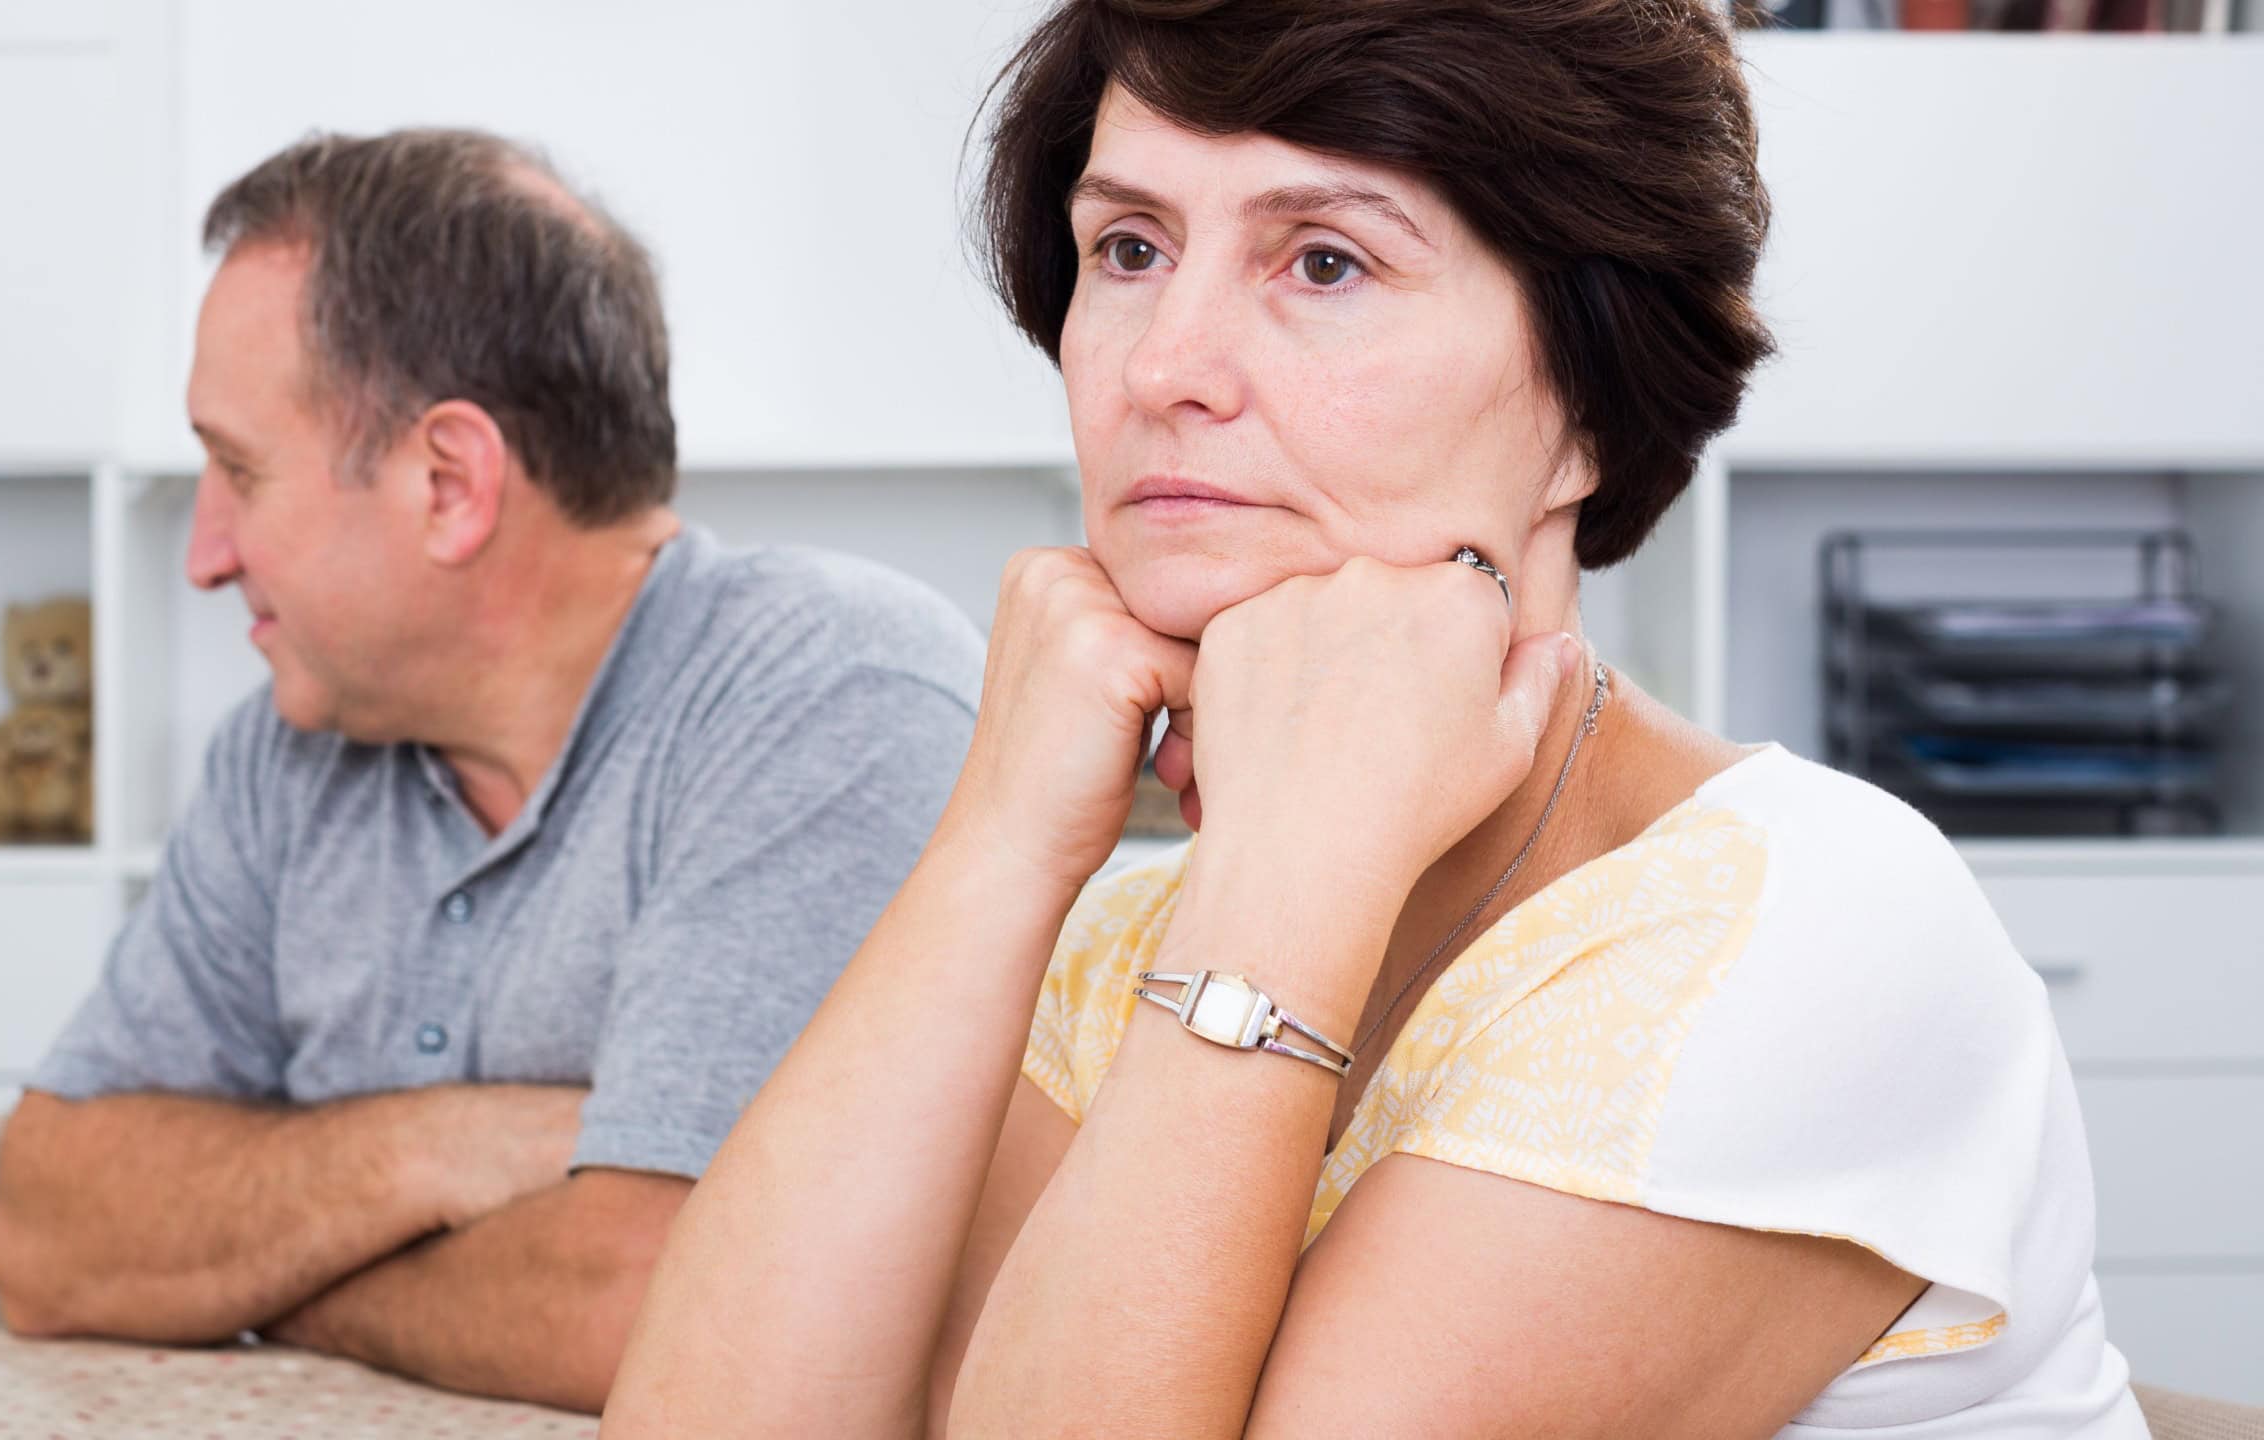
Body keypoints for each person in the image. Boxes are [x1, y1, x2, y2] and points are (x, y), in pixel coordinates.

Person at [604, 2, 2146, 1435]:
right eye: (1129, 247)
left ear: (1591, 404)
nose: (1162, 367)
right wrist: (998, 848)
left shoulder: (1816, 935)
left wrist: (1286, 876)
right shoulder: (1150, 928)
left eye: (1324, 262)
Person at [0, 128, 983, 1413]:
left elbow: (652, 1312)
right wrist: (440, 1151)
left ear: (449, 483)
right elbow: (46, 1237)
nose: (204, 554)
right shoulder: (287, 753)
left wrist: (274, 1284)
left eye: (239, 469)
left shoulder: (831, 690)